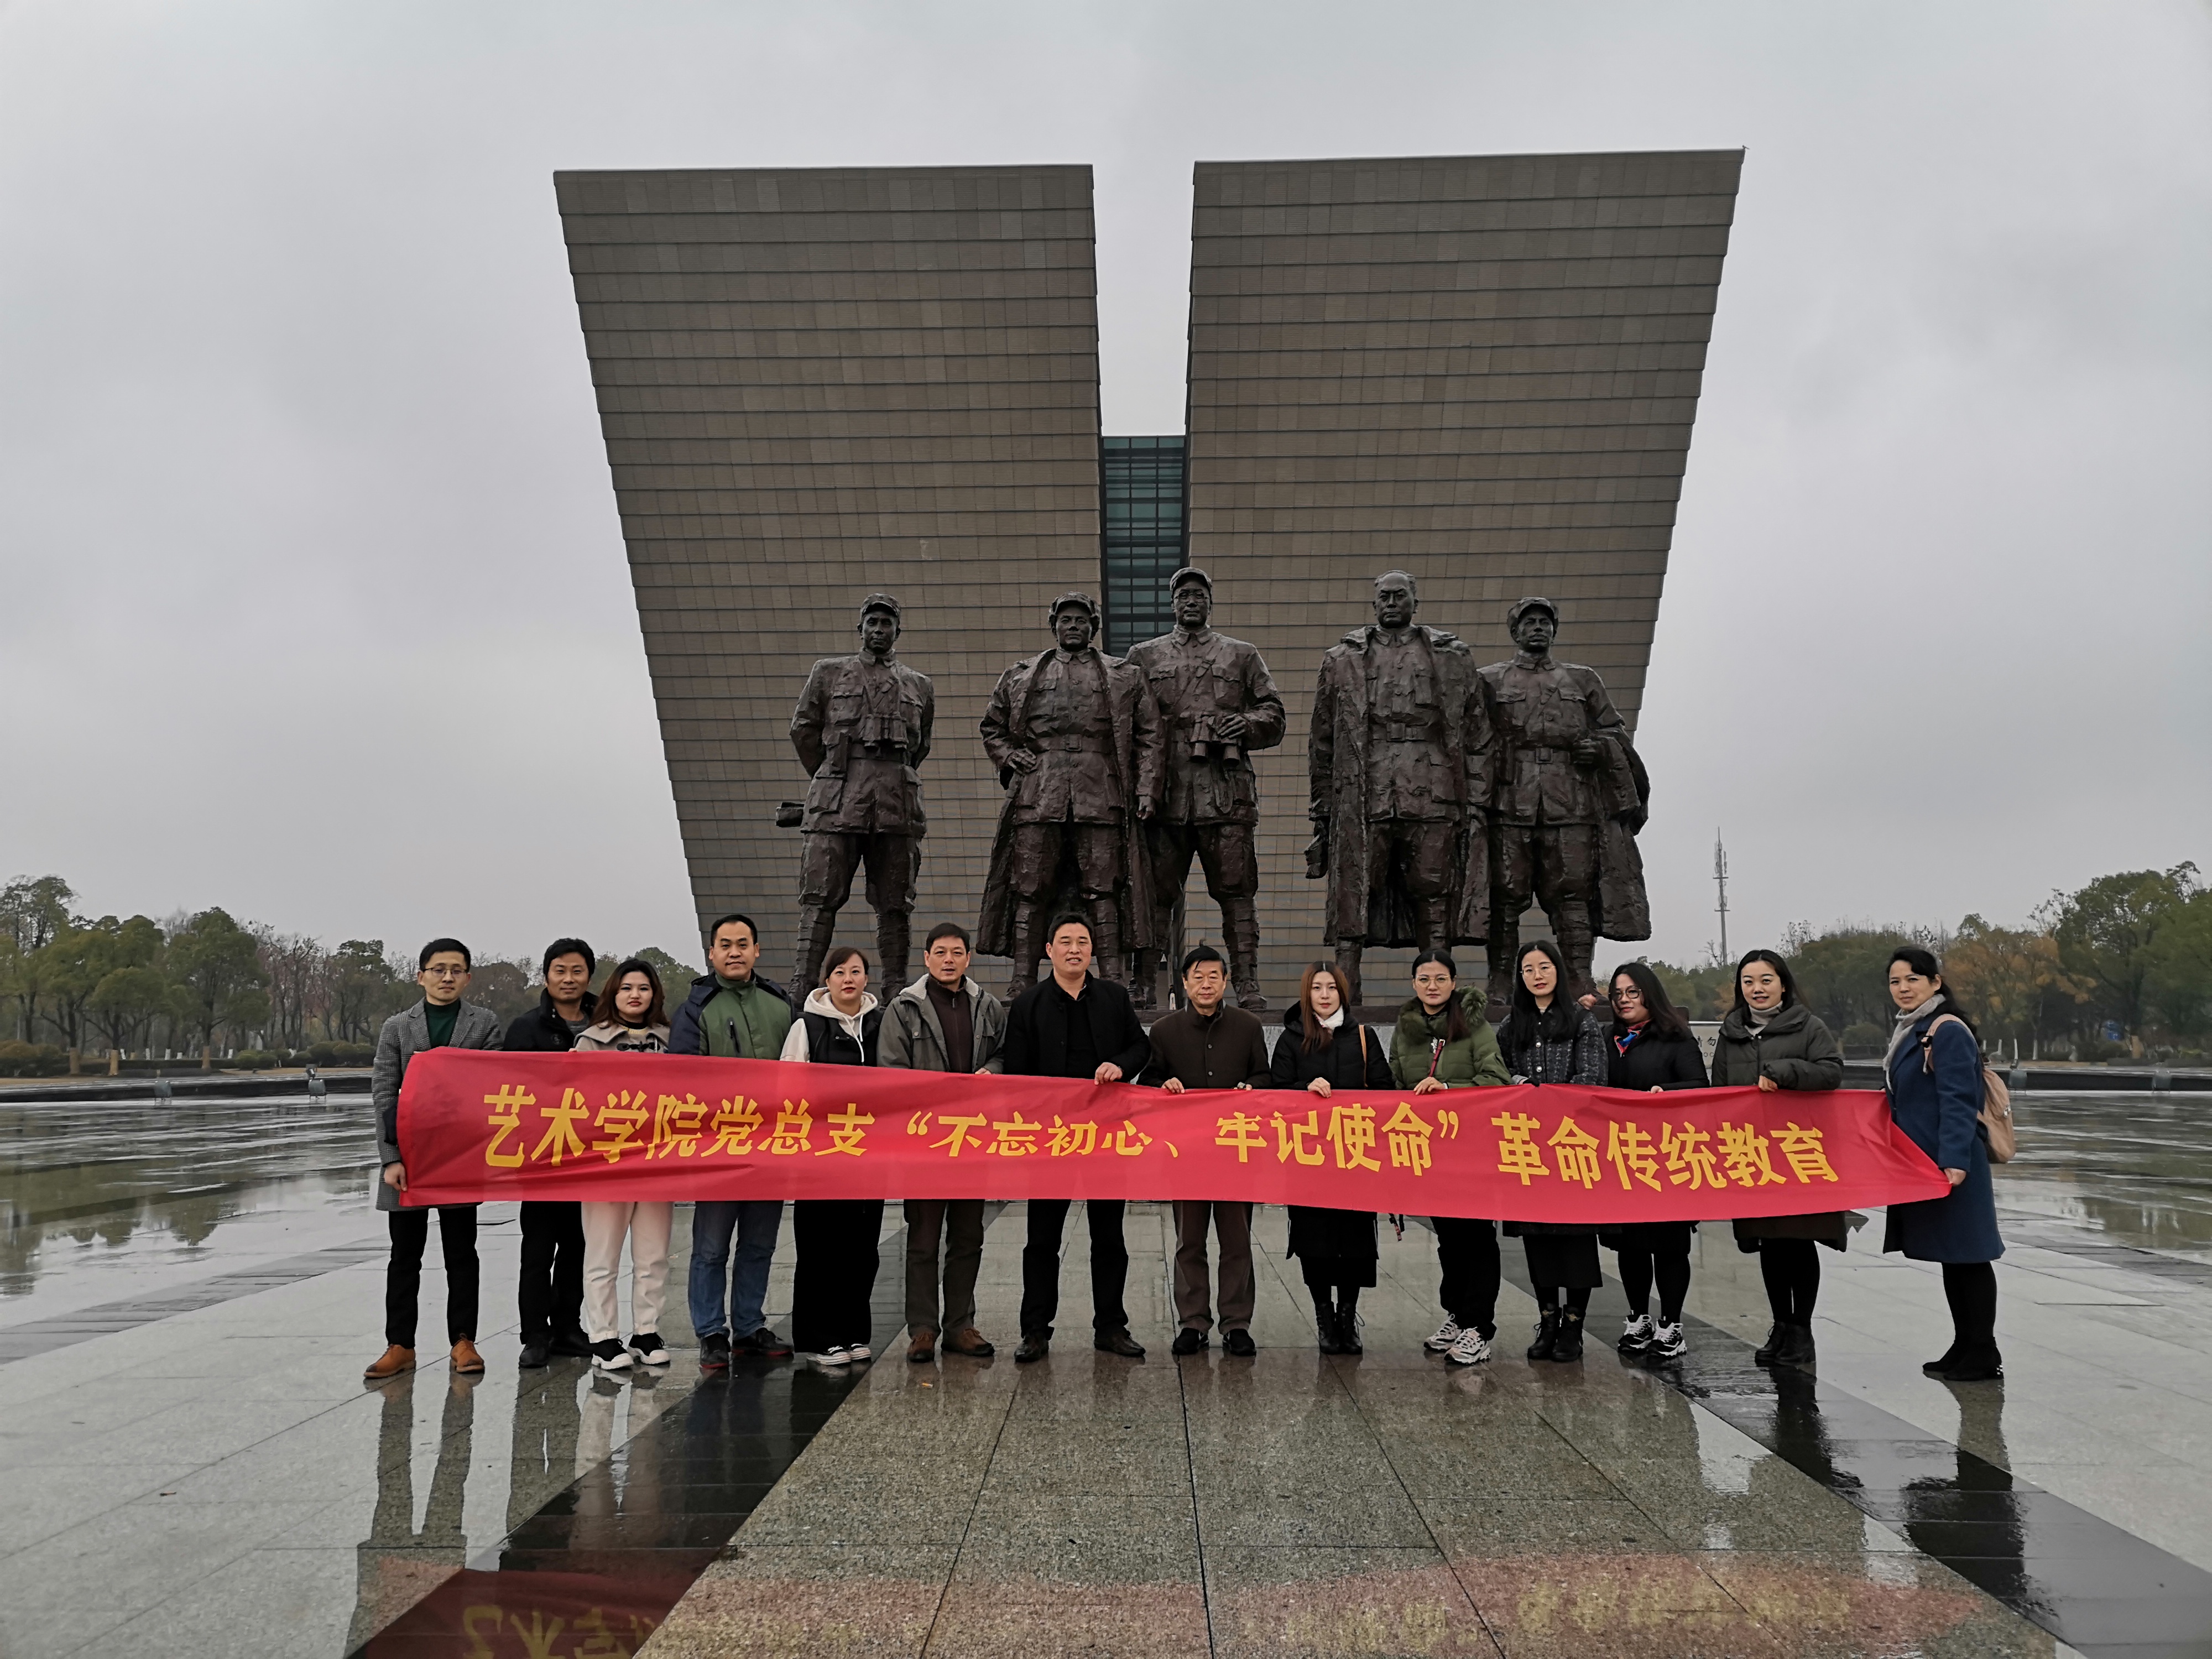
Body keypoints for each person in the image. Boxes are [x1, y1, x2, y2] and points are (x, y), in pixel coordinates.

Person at [1123, 568, 1287, 1010]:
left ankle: (1247, 983)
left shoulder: (1242, 654)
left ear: (1210, 602)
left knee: (1238, 893)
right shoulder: (1144, 656)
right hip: (1165, 794)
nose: (1191, 602)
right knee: (1154, 895)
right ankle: (1143, 982)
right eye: (1183, 595)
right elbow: (1126, 723)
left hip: (1225, 791)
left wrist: (1245, 724)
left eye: (1198, 595)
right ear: (1172, 604)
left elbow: (1275, 716)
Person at [1003, 913, 1152, 1363]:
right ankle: (1035, 1330)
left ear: (1092, 950)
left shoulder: (1114, 997)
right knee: (1042, 1240)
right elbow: (1016, 1074)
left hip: (1105, 1138)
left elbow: (1141, 1047)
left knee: (1109, 1238)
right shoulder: (1027, 1005)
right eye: (1065, 941)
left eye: (1082, 942)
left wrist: (1120, 1066)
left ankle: (1111, 1326)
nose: (1074, 949)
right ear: (1049, 950)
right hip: (1051, 1142)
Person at [364, 939, 505, 1382]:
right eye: (438, 969)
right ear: (420, 975)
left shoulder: (484, 1024)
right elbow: (384, 1093)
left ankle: (463, 1341)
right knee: (404, 1256)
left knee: (462, 1253)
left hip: (458, 1156)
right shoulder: (397, 1027)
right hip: (408, 1157)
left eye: (456, 970)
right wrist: (391, 1158)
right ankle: (400, 1345)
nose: (447, 977)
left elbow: (492, 1085)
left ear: (468, 978)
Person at [788, 593, 935, 989]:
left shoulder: (920, 685)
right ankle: (802, 985)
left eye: (887, 624)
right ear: (861, 629)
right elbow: (803, 730)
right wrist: (831, 774)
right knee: (820, 895)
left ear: (897, 632)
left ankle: (895, 988)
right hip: (837, 799)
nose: (879, 630)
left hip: (896, 802)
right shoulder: (828, 673)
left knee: (896, 901)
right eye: (872, 623)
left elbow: (920, 747)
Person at [673, 912, 800, 1368]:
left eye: (742, 944)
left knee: (759, 1245)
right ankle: (711, 1332)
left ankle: (749, 1326)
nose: (734, 952)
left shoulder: (781, 1005)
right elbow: (682, 1081)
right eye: (725, 945)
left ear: (756, 951)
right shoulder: (696, 1008)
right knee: (711, 1248)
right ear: (711, 953)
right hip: (719, 1151)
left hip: (771, 1149)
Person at [879, 922, 1006, 1363]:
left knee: (968, 1236)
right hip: (925, 1144)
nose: (948, 960)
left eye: (956, 952)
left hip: (971, 1141)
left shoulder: (987, 1006)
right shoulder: (904, 1008)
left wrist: (993, 1070)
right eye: (940, 952)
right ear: (927, 959)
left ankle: (960, 1326)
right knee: (923, 1240)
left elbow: (1005, 1053)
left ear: (968, 958)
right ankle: (922, 1330)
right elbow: (891, 1070)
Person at [1712, 948, 1845, 1367]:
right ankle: (1781, 1326)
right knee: (1769, 1243)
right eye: (1749, 981)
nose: (1758, 989)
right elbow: (1719, 1092)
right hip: (1753, 1153)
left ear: (1783, 985)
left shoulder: (1809, 1026)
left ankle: (1802, 1330)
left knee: (1798, 1241)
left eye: (1766, 980)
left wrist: (1785, 1071)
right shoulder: (1731, 1032)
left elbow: (1832, 1071)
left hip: (1797, 1152)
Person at [1142, 943, 1271, 1358]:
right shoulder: (1164, 1031)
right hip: (1187, 1154)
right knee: (1190, 1241)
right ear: (1184, 983)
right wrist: (1163, 1086)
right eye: (1197, 977)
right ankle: (1193, 1322)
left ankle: (1237, 1323)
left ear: (1226, 981)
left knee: (1237, 1242)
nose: (1206, 984)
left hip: (1236, 1152)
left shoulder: (1248, 1026)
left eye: (1214, 976)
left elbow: (1265, 1077)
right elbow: (1148, 1082)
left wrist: (1251, 1088)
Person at [1883, 947, 2005, 1382]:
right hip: (1927, 1161)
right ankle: (1965, 1344)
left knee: (1970, 1256)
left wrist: (1954, 1160)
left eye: (1913, 979)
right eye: (1896, 981)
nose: (1903, 988)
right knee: (1953, 1257)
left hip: (1953, 1162)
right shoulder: (1912, 1030)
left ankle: (1983, 1350)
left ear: (1935, 982)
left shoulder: (1946, 1030)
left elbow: (1958, 1099)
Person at [1388, 947, 1510, 1366]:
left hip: (1471, 1150)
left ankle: (1479, 1326)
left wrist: (1447, 1090)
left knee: (1477, 1238)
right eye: (1424, 979)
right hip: (1429, 1152)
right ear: (1414, 984)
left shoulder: (1474, 1025)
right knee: (1449, 1239)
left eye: (1441, 979)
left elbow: (1497, 1079)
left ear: (1454, 983)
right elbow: (1394, 1083)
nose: (1432, 986)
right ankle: (1457, 1315)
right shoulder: (1405, 1029)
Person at [1271, 962, 1394, 1354]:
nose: (1324, 995)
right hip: (1308, 1158)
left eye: (1332, 988)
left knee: (1356, 1240)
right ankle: (1324, 1315)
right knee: (1314, 1240)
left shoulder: (1363, 1036)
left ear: (1343, 992)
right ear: (1306, 994)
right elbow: (1276, 1091)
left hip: (1356, 1156)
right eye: (1317, 988)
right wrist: (1304, 1087)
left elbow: (1385, 1089)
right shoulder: (1292, 1038)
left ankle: (1347, 1315)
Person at [1495, 940, 1609, 1361]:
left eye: (1544, 967)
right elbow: (1501, 1072)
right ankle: (1547, 1321)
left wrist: (1548, 1097)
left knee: (1577, 1241)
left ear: (1558, 971)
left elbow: (1593, 1077)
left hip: (1572, 1147)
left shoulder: (1581, 1020)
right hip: (1529, 1150)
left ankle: (1573, 1327)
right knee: (1537, 1239)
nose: (1537, 976)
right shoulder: (1512, 1024)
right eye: (1528, 969)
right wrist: (1519, 1086)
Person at [780, 945, 886, 1366]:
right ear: (827, 980)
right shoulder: (808, 1026)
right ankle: (820, 1337)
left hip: (869, 1156)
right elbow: (788, 1090)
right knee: (821, 1249)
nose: (848, 979)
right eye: (840, 972)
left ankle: (854, 1332)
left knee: (862, 1248)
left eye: (856, 972)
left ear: (866, 979)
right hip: (821, 1159)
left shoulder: (880, 1024)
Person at [1597, 962, 1709, 1360]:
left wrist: (1667, 1092)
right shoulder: (1607, 1038)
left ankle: (1671, 1324)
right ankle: (1639, 1318)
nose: (1624, 1000)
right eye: (1617, 994)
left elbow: (1699, 1086)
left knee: (1669, 1245)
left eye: (1633, 992)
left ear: (1650, 994)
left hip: (1667, 1159)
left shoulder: (1675, 1036)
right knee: (1631, 1245)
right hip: (1622, 1157)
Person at [573, 960, 675, 1373]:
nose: (635, 995)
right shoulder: (589, 1042)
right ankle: (603, 1337)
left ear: (655, 995)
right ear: (612, 994)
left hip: (657, 1162)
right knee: (603, 1256)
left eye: (644, 988)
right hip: (607, 1164)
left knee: (654, 1255)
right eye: (627, 988)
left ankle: (647, 1332)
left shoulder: (672, 1042)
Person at [503, 938, 598, 1370]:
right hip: (541, 1158)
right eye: (560, 971)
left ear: (589, 976)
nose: (569, 979)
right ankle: (535, 1335)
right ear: (546, 976)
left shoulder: (604, 1025)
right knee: (538, 1251)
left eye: (577, 971)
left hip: (589, 1157)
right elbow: (508, 1091)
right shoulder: (526, 1029)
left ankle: (567, 1328)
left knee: (577, 1246)